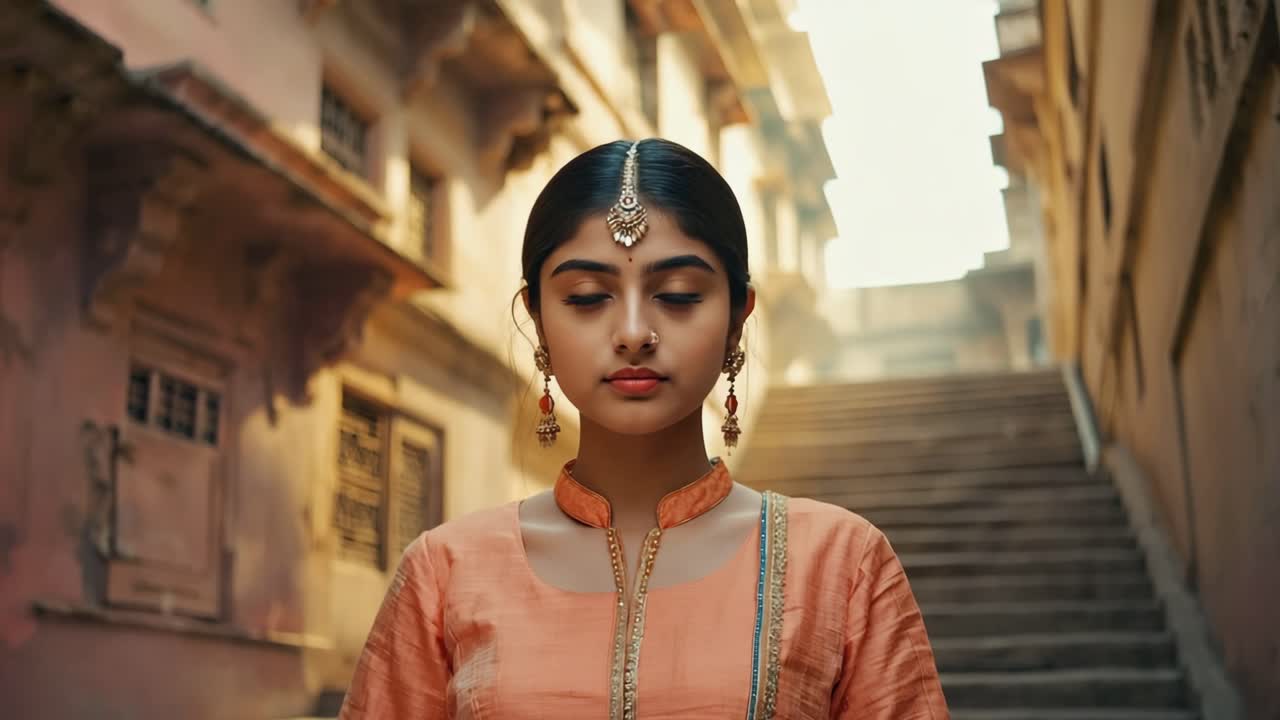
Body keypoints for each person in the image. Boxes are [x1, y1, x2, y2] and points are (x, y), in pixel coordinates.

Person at [338, 139, 950, 719]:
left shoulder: (839, 563)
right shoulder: (445, 573)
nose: (633, 331)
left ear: (738, 318)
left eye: (679, 294)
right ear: (538, 321)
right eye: (585, 296)